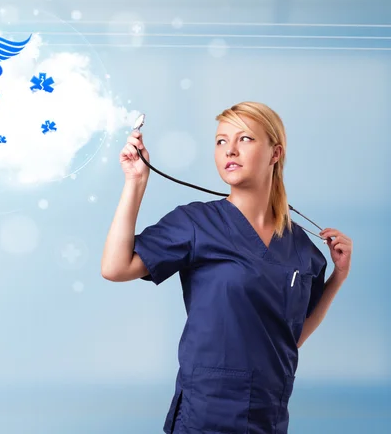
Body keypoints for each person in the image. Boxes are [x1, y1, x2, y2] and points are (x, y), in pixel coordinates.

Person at [101, 102, 353, 434]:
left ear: (275, 153)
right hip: (206, 412)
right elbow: (116, 267)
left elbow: (289, 339)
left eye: (245, 139)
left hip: (269, 414)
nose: (229, 150)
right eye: (221, 141)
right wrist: (135, 183)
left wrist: (338, 277)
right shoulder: (196, 223)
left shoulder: (303, 249)